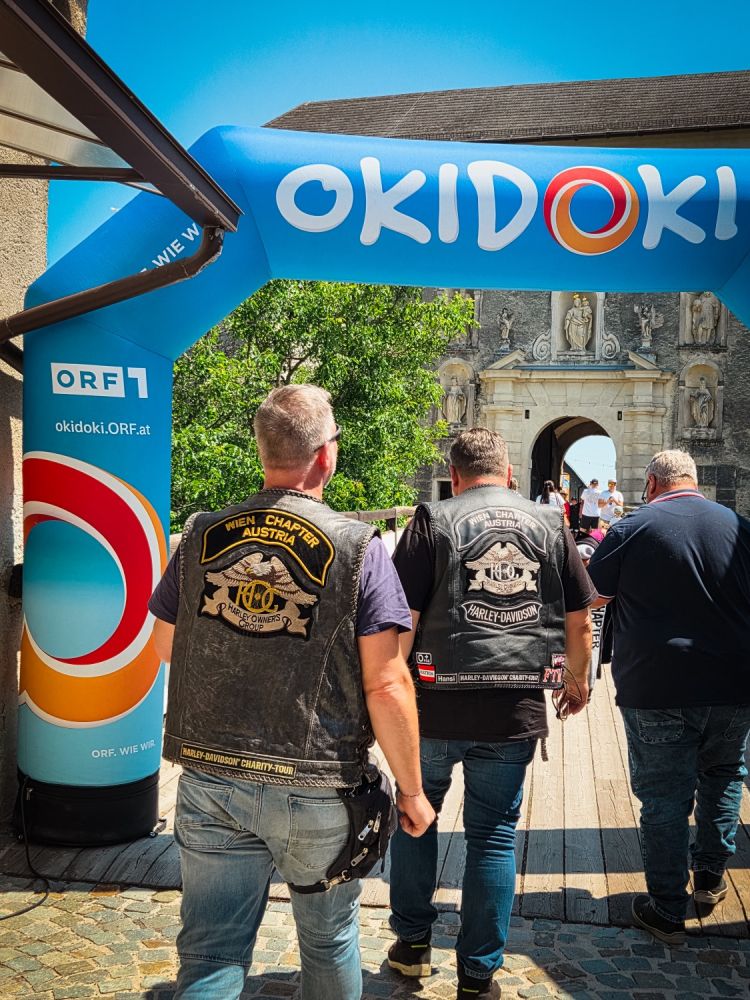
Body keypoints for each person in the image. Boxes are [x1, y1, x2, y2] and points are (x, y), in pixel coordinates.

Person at [149, 384, 435, 1000]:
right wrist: (412, 791)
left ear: (263, 451)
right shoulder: (359, 547)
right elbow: (386, 681)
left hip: (212, 775)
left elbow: (167, 646)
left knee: (211, 952)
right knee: (328, 942)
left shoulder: (200, 533)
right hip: (317, 783)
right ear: (326, 455)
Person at [387, 427, 595, 1000]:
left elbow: (399, 621)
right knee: (495, 836)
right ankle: (478, 974)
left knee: (414, 818)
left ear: (454, 476)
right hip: (513, 709)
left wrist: (389, 695)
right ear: (508, 474)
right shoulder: (550, 523)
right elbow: (580, 620)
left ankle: (412, 944)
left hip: (431, 706)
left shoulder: (430, 521)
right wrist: (577, 681)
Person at [587, 450, 750, 945]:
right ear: (693, 482)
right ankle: (710, 878)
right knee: (724, 776)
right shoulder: (740, 528)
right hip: (734, 682)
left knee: (664, 797)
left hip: (656, 685)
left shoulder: (631, 529)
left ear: (653, 484)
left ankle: (666, 907)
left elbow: (593, 597)